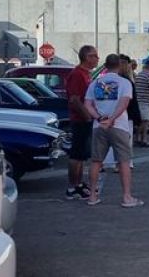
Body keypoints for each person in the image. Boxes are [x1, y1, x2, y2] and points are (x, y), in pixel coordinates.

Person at [85, 54, 143, 208]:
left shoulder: (95, 83)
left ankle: (92, 196)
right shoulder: (125, 83)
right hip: (119, 126)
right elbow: (124, 104)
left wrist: (99, 118)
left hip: (99, 126)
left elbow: (88, 104)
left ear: (105, 65)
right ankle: (126, 197)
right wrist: (112, 119)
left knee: (96, 161)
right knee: (123, 161)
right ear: (119, 65)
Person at [64, 46, 98, 200]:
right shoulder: (77, 74)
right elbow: (75, 99)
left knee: (83, 155)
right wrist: (87, 117)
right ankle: (72, 187)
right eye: (93, 56)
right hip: (80, 120)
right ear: (86, 57)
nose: (97, 58)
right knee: (76, 154)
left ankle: (79, 183)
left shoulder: (86, 74)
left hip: (86, 119)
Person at [134, 59, 149, 147]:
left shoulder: (139, 75)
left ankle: (138, 139)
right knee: (146, 122)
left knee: (141, 122)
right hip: (146, 102)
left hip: (139, 101)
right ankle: (143, 140)